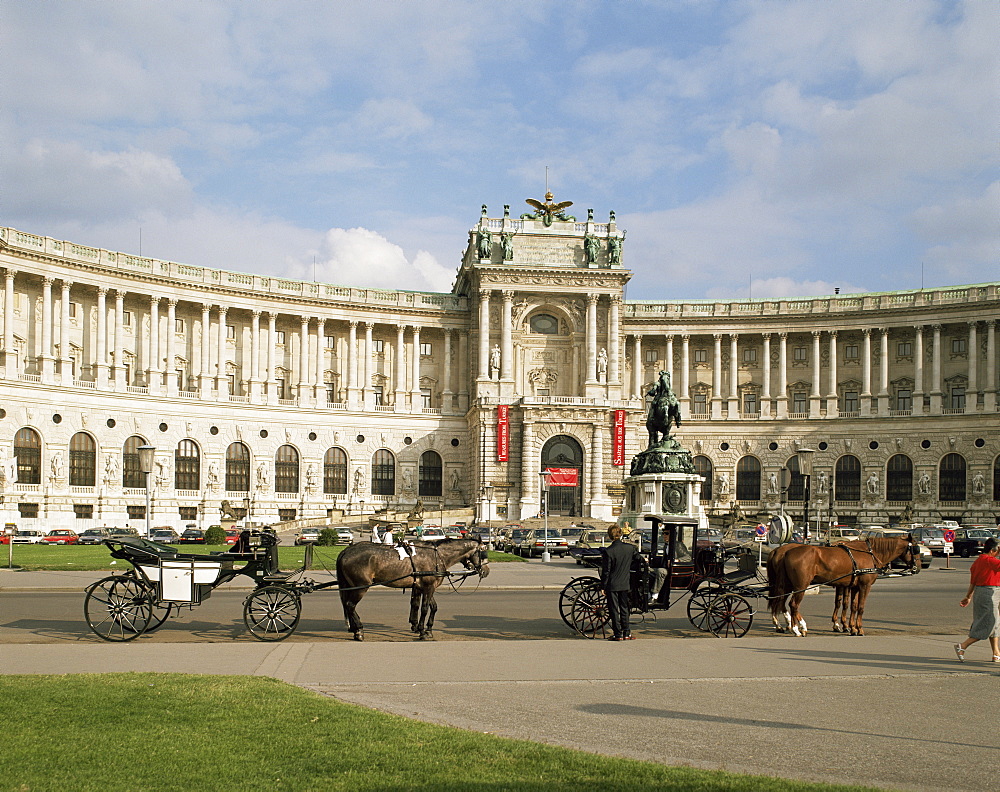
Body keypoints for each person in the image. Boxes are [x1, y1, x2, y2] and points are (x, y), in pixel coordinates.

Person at [955, 538, 1000, 663]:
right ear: (992, 550)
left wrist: (968, 596)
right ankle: (962, 646)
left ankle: (996, 653)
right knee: (988, 623)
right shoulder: (989, 560)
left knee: (995, 623)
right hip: (988, 593)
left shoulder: (978, 561)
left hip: (984, 592)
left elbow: (973, 581)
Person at [600, 524, 639, 641]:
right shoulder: (630, 548)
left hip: (613, 584)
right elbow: (638, 559)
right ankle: (627, 632)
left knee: (613, 609)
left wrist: (603, 586)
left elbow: (606, 571)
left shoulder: (609, 551)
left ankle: (618, 634)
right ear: (620, 534)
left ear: (610, 536)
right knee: (624, 608)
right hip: (625, 583)